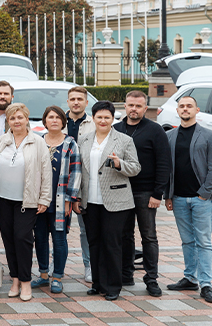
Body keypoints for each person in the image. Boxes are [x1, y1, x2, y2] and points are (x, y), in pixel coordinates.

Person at [73, 101, 140, 301]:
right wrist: (76, 196)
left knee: (111, 243)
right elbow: (78, 171)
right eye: (99, 117)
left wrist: (120, 164)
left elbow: (135, 168)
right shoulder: (84, 139)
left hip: (116, 201)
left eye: (107, 117)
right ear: (93, 118)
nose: (103, 121)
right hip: (89, 200)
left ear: (113, 119)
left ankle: (113, 286)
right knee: (94, 242)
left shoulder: (124, 140)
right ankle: (98, 283)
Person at [0, 103, 50, 301]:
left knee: (22, 239)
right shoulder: (3, 140)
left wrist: (44, 198)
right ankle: (14, 279)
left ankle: (25, 282)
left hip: (27, 200)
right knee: (8, 239)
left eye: (20, 117)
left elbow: (46, 172)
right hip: (3, 199)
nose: (16, 121)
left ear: (26, 119)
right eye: (13, 118)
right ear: (8, 120)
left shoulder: (37, 142)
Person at [165, 96, 212, 304]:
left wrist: (204, 193)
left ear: (197, 110)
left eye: (189, 106)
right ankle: (190, 278)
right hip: (178, 198)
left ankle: (206, 284)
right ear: (177, 110)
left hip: (201, 199)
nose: (185, 109)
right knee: (187, 241)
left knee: (204, 242)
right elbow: (168, 169)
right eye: (181, 106)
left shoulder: (210, 136)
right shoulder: (169, 136)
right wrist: (168, 195)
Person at [115, 91, 171, 296]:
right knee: (124, 235)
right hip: (121, 191)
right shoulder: (117, 129)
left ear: (145, 109)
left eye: (138, 106)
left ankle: (151, 278)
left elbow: (164, 164)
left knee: (148, 236)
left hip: (146, 192)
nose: (134, 109)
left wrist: (158, 193)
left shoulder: (155, 131)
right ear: (125, 106)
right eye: (130, 105)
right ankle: (126, 274)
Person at [31, 106, 81, 295]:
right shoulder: (37, 142)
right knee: (41, 238)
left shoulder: (70, 144)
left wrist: (70, 198)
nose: (54, 120)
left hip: (60, 200)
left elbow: (76, 172)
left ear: (63, 121)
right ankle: (44, 274)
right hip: (39, 199)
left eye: (57, 117)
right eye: (50, 117)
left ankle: (57, 276)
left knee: (59, 240)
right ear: (44, 121)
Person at [65, 86, 95, 282]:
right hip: (61, 183)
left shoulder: (94, 124)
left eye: (80, 99)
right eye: (72, 99)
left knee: (86, 229)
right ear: (67, 101)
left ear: (86, 102)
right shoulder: (58, 121)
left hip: (86, 184)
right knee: (59, 228)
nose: (76, 102)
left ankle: (89, 265)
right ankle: (56, 263)